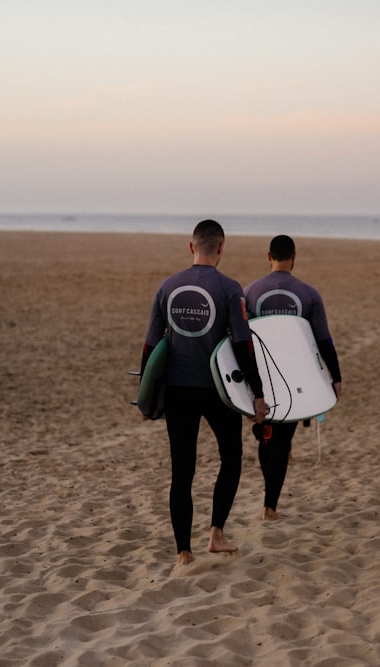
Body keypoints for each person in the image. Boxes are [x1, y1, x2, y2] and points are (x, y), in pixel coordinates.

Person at [140, 220, 268, 566]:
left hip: (178, 390)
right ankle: (216, 533)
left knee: (182, 471)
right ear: (222, 248)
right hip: (218, 392)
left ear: (190, 246)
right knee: (231, 458)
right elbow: (243, 345)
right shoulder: (230, 288)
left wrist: (144, 396)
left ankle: (183, 552)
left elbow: (152, 345)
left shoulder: (168, 286)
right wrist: (257, 393)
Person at [244, 235, 342, 521]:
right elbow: (324, 340)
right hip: (295, 379)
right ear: (294, 256)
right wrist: (335, 376)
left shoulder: (250, 292)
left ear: (268, 256)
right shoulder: (308, 294)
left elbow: (241, 339)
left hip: (261, 377)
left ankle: (268, 492)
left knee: (267, 437)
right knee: (283, 441)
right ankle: (270, 507)